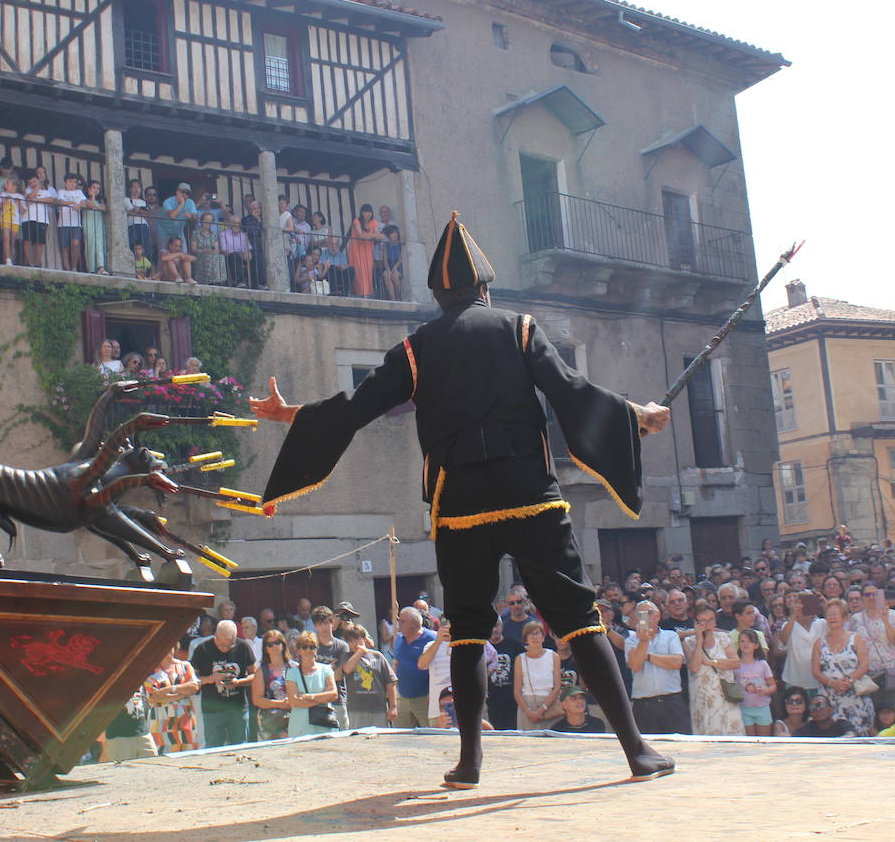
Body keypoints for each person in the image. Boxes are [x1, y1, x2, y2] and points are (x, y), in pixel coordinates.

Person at [252, 213, 675, 788]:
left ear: (438, 293)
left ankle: (470, 761)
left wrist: (292, 414)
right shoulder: (519, 327)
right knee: (578, 620)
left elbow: (357, 406)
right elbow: (568, 390)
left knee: (469, 631)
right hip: (530, 496)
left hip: (458, 506)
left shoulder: (416, 347)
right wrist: (635, 415)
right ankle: (635, 752)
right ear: (484, 287)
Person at [189, 620, 257, 748]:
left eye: (229, 645)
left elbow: (255, 675)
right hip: (212, 710)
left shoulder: (243, 647)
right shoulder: (202, 649)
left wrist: (238, 682)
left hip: (238, 708)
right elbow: (192, 678)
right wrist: (209, 679)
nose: (225, 649)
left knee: (240, 747)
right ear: (215, 635)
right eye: (221, 645)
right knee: (213, 748)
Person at [626, 600, 689, 735]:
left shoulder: (671, 636)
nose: (646, 617)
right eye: (642, 614)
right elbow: (635, 666)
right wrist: (643, 640)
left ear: (658, 615)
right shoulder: (631, 640)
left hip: (671, 701)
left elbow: (676, 662)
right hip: (644, 705)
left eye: (650, 613)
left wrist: (647, 656)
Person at [813, 597, 873, 735]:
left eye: (835, 614)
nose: (832, 618)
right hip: (830, 697)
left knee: (857, 735)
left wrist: (848, 680)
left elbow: (865, 664)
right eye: (828, 615)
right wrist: (831, 683)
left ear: (844, 617)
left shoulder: (856, 638)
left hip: (854, 694)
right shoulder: (819, 642)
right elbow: (815, 671)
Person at [683, 600, 744, 735]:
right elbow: (694, 667)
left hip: (724, 696)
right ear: (696, 622)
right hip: (702, 698)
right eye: (702, 621)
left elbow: (736, 663)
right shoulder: (689, 642)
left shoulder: (723, 638)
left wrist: (712, 662)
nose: (707, 624)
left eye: (710, 620)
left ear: (715, 621)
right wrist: (699, 641)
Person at [850, 580, 895, 710]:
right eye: (867, 595)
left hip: (894, 670)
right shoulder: (856, 619)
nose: (871, 598)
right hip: (871, 674)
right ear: (862, 598)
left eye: (874, 594)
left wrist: (886, 622)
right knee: (875, 712)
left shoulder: (893, 615)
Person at [338, 622, 398, 728]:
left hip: (379, 707)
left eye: (356, 639)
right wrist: (360, 652)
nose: (354, 643)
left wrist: (393, 707)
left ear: (364, 638)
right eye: (350, 641)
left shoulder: (378, 656)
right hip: (356, 709)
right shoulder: (347, 657)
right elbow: (347, 669)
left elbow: (390, 681)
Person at [285, 631, 340, 737]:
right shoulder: (292, 673)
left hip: (324, 725)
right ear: (298, 650)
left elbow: (333, 695)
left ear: (317, 649)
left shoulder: (326, 669)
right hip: (300, 726)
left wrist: (309, 697)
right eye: (304, 647)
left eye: (312, 647)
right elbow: (294, 702)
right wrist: (322, 698)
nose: (308, 650)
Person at [146, 650, 198, 753]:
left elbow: (194, 686)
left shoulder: (184, 666)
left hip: (185, 718)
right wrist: (182, 694)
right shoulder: (149, 669)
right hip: (161, 720)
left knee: (189, 752)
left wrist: (170, 689)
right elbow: (153, 697)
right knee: (163, 752)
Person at [513, 620, 560, 730]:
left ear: (543, 637)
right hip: (527, 706)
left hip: (549, 705)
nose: (534, 637)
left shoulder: (553, 656)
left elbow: (557, 688)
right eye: (531, 634)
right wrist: (529, 712)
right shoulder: (520, 659)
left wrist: (542, 709)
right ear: (526, 639)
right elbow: (517, 691)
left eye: (537, 633)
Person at [779, 591, 825, 696]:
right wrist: (794, 615)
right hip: (794, 680)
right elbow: (783, 640)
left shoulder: (822, 623)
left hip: (818, 680)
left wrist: (824, 605)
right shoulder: (788, 625)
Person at [251, 629, 293, 740]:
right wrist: (280, 704)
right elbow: (257, 700)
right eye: (270, 644)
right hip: (270, 721)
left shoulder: (294, 668)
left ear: (283, 645)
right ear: (266, 649)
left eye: (277, 643)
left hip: (293, 719)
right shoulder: (261, 671)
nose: (274, 646)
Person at [735, 628, 776, 737]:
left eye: (749, 641)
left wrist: (766, 690)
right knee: (749, 742)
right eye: (742, 641)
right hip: (744, 708)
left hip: (762, 708)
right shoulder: (735, 665)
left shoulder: (762, 664)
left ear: (756, 645)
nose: (745, 644)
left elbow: (773, 686)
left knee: (764, 741)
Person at [486, 618, 522, 730]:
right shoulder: (482, 646)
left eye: (497, 625)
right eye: (490, 626)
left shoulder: (512, 643)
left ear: (502, 626)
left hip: (511, 700)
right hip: (490, 701)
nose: (494, 629)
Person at [345, 203, 383, 298]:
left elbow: (378, 238)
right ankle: (358, 294)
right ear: (362, 212)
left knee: (368, 271)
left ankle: (366, 295)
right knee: (359, 271)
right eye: (366, 211)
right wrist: (374, 236)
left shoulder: (374, 222)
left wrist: (372, 236)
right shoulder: (356, 221)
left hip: (368, 250)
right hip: (356, 250)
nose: (368, 214)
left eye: (370, 212)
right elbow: (360, 235)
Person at [191, 211, 225, 285]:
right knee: (209, 257)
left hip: (212, 256)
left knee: (220, 257)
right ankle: (209, 281)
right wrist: (204, 251)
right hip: (199, 256)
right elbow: (193, 250)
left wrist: (213, 251)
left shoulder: (214, 234)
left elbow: (216, 249)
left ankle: (217, 281)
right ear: (201, 221)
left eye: (210, 221)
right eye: (206, 220)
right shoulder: (195, 233)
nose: (208, 222)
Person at [81, 179, 107, 274]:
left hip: (99, 224)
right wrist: (92, 197)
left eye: (98, 188)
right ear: (89, 189)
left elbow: (104, 209)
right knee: (90, 245)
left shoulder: (101, 201)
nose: (96, 190)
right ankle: (91, 268)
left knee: (100, 244)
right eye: (94, 187)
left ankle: (101, 267)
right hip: (89, 224)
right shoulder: (84, 200)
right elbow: (91, 205)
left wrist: (97, 207)